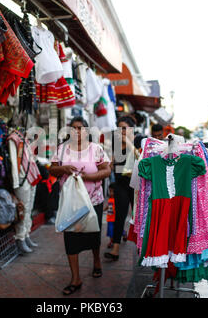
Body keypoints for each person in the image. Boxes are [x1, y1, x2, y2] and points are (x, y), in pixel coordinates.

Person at [49, 117, 111, 296]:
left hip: (93, 201)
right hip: (71, 203)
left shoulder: (96, 149)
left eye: (80, 128)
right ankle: (75, 278)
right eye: (73, 128)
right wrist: (64, 169)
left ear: (86, 131)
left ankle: (96, 261)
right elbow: (51, 170)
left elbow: (106, 169)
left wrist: (89, 177)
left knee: (93, 234)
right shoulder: (62, 150)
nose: (77, 131)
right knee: (71, 238)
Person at [104, 115, 137, 261]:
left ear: (131, 129)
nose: (121, 131)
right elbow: (111, 164)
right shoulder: (115, 144)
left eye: (124, 128)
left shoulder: (138, 141)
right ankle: (115, 249)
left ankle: (142, 248)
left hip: (135, 185)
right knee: (119, 216)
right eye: (119, 129)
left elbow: (141, 158)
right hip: (120, 184)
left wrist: (129, 144)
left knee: (139, 216)